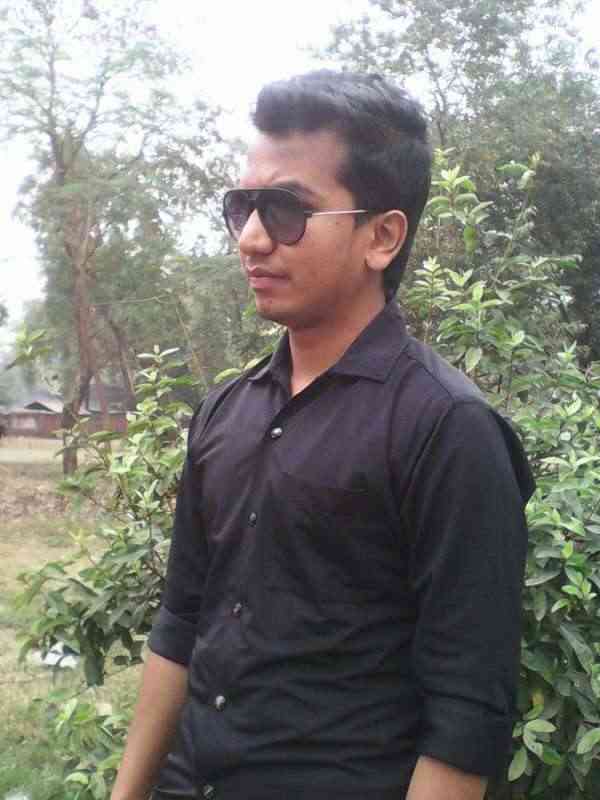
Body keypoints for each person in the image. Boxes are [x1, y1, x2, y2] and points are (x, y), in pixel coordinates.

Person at [111, 70, 534, 800]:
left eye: (286, 210)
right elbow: (180, 623)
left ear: (381, 236)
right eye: (242, 207)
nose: (251, 238)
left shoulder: (448, 430)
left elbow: (466, 712)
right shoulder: (225, 411)